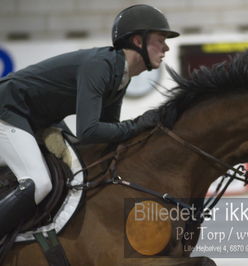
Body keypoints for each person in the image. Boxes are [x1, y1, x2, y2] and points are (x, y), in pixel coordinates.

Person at [0, 4, 179, 238]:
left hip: (34, 118)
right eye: (161, 39)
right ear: (138, 41)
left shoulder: (120, 76)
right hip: (9, 108)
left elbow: (107, 135)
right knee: (39, 183)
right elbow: (89, 131)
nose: (166, 46)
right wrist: (139, 124)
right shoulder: (101, 66)